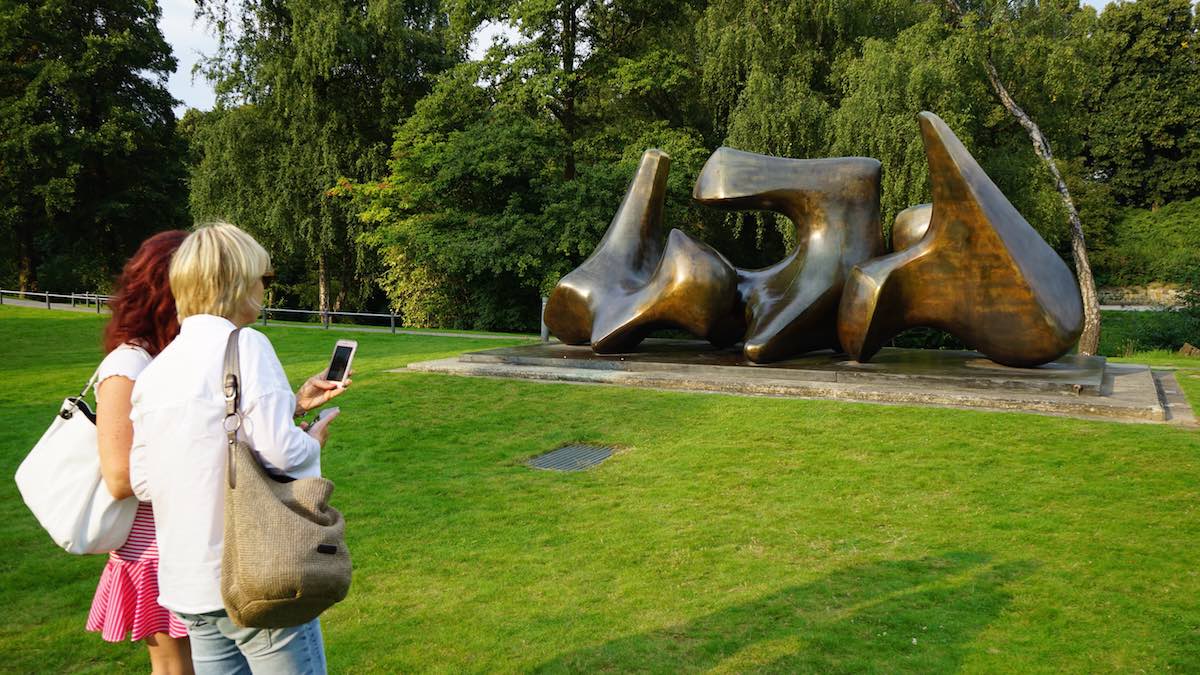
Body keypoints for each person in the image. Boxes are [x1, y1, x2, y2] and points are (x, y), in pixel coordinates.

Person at [129, 223, 349, 674]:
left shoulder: (157, 370)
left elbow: (144, 482)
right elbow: (283, 454)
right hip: (257, 571)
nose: (266, 290)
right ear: (235, 282)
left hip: (188, 584)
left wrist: (290, 403)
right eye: (263, 279)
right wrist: (311, 441)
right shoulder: (245, 344)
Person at [87, 230, 194, 675]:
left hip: (185, 539)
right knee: (176, 670)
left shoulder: (172, 356)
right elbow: (119, 477)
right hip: (152, 549)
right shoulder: (129, 364)